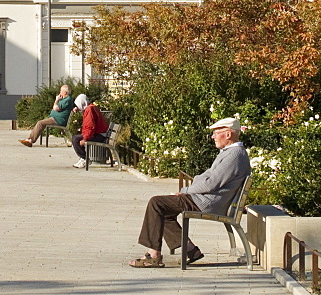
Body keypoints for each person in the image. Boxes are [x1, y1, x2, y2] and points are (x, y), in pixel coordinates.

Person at [129, 117, 250, 268]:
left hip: (208, 202)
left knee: (156, 203)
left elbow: (211, 183)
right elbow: (207, 177)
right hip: (206, 199)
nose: (213, 137)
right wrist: (189, 190)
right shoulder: (231, 153)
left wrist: (185, 191)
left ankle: (154, 255)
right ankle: (191, 251)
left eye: (216, 133)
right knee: (163, 210)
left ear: (228, 134)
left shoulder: (234, 155)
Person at [70, 93, 108, 169]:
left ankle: (84, 159)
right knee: (76, 138)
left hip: (99, 135)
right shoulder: (91, 107)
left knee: (75, 139)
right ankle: (84, 158)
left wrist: (85, 139)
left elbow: (90, 126)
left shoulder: (89, 110)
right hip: (101, 134)